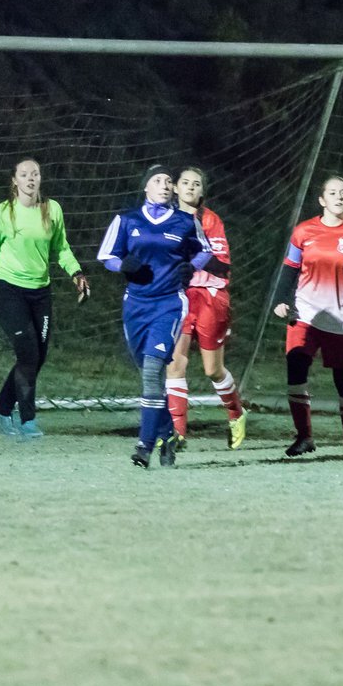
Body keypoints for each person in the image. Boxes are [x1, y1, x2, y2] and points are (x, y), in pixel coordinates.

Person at [98, 164, 215, 468]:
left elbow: (205, 250)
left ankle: (144, 445)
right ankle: (168, 434)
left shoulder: (185, 221)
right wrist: (121, 266)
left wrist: (193, 267)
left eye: (167, 181)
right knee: (148, 377)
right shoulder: (127, 219)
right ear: (146, 187)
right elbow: (108, 255)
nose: (164, 185)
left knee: (153, 372)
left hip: (169, 304)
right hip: (136, 306)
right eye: (157, 180)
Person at [0, 158, 91, 438]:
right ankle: (27, 421)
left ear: (40, 179)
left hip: (40, 292)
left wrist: (76, 273)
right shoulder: (3, 213)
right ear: (15, 181)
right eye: (24, 174)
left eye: (35, 173)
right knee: (28, 353)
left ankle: (0, 409)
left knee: (37, 356)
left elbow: (62, 249)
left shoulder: (52, 209)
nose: (31, 178)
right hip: (7, 289)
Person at [271, 175, 343, 460]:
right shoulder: (303, 231)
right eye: (333, 193)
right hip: (305, 314)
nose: (339, 197)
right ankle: (304, 437)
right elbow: (289, 268)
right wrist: (280, 300)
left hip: (341, 318)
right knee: (296, 374)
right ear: (322, 200)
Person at [163, 167, 246, 451]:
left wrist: (194, 260)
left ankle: (237, 413)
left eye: (195, 184)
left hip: (211, 297)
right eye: (184, 182)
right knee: (175, 363)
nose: (189, 187)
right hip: (181, 298)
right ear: (175, 188)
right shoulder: (165, 219)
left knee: (213, 370)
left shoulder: (211, 220)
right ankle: (178, 433)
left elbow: (222, 266)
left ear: (202, 191)